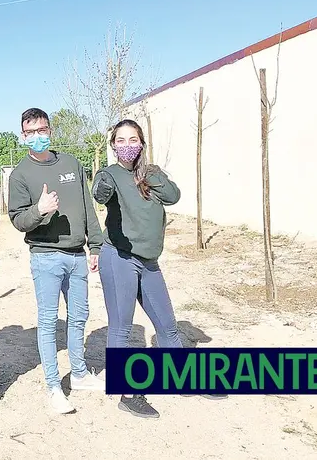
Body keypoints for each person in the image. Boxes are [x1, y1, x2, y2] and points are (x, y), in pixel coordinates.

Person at [91, 119, 225, 419]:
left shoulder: (151, 173)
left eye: (133, 140)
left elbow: (173, 196)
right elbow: (100, 193)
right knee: (122, 328)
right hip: (120, 258)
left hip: (149, 262)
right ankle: (128, 394)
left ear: (142, 143)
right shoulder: (109, 173)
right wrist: (103, 186)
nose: (127, 146)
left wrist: (148, 174)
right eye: (121, 141)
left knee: (167, 325)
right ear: (113, 145)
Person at [8, 107, 106, 415]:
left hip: (77, 255)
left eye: (42, 130)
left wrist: (96, 246)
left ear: (50, 130)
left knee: (79, 317)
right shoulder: (21, 174)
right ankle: (53, 386)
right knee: (49, 322)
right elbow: (18, 220)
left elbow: (87, 205)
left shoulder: (72, 163)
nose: (37, 137)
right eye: (30, 132)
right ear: (23, 136)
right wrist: (40, 210)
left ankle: (78, 374)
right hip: (45, 256)